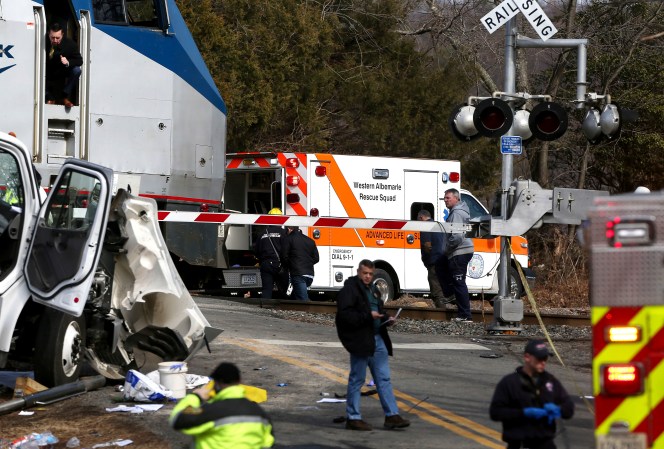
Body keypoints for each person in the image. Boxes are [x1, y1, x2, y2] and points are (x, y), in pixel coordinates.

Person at [335, 259, 410, 431]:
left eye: (370, 274)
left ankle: (392, 415)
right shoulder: (350, 290)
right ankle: (353, 418)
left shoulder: (374, 290)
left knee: (383, 378)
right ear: (358, 271)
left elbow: (380, 312)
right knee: (357, 379)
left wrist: (387, 319)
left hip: (378, 339)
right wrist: (368, 315)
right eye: (365, 273)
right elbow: (345, 316)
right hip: (361, 340)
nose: (368, 276)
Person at [489, 340, 574, 449]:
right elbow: (495, 412)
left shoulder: (550, 381)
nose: (543, 362)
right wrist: (523, 413)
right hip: (518, 443)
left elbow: (569, 408)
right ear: (527, 357)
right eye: (539, 359)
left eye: (545, 359)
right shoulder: (509, 383)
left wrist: (559, 409)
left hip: (544, 443)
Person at [169, 362, 275, 449]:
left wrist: (196, 397)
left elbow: (177, 419)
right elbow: (267, 443)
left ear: (217, 383)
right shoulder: (259, 414)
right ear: (239, 382)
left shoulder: (210, 411)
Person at [436, 188, 474, 322]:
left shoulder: (456, 213)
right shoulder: (459, 211)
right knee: (441, 265)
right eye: (445, 198)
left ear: (456, 199)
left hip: (460, 251)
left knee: (459, 282)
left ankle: (465, 315)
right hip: (462, 250)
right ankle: (451, 295)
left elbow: (457, 237)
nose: (445, 200)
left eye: (448, 198)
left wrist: (447, 249)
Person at [253, 208, 288, 299]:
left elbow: (256, 251)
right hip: (281, 265)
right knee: (283, 289)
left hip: (266, 264)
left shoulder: (262, 233)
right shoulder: (284, 233)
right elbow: (287, 250)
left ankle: (265, 309)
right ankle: (281, 309)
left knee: (266, 289)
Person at [45, 22, 82, 108]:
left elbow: (79, 61)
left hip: (61, 71)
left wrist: (68, 62)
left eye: (58, 38)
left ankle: (64, 96)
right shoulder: (42, 41)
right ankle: (49, 97)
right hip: (46, 70)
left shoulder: (70, 44)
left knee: (77, 70)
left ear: (62, 35)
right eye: (52, 37)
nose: (54, 40)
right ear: (48, 34)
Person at [417, 209, 447, 308]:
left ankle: (441, 312)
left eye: (418, 219)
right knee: (442, 286)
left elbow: (427, 246)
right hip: (443, 259)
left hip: (433, 261)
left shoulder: (425, 227)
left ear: (421, 217)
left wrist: (426, 260)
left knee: (436, 289)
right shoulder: (438, 225)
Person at [281, 225, 319, 301]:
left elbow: (284, 257)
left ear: (289, 229)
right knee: (297, 296)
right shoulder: (310, 240)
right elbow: (316, 258)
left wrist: (289, 266)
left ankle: (308, 311)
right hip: (310, 275)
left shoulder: (288, 239)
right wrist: (307, 263)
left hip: (298, 274)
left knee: (303, 300)